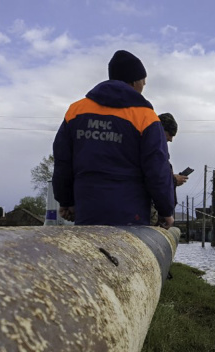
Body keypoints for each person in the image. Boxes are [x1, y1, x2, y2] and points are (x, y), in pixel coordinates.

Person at [52, 49, 175, 228]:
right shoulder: (146, 117)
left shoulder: (76, 111)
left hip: (87, 209)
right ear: (134, 82)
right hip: (130, 215)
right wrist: (166, 211)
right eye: (143, 82)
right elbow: (157, 169)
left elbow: (63, 161)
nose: (143, 87)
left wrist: (65, 200)